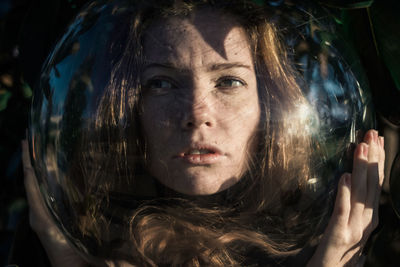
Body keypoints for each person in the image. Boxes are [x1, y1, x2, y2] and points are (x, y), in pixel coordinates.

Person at [20, 0, 385, 266]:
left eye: (228, 81)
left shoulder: (312, 236)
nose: (197, 114)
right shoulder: (95, 244)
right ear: (129, 107)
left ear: (269, 101)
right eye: (161, 83)